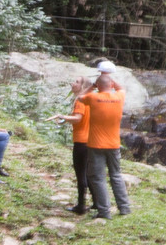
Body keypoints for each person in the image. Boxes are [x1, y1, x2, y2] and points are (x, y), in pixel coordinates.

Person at [79, 63, 130, 219]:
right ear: (112, 85)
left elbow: (79, 97)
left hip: (95, 145)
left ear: (98, 86)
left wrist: (93, 86)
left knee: (98, 177)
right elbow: (121, 88)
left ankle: (104, 211)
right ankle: (124, 208)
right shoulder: (119, 97)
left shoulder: (93, 97)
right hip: (114, 145)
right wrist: (111, 80)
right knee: (116, 175)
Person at [48, 76, 94, 214]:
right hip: (91, 140)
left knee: (81, 174)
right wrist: (65, 120)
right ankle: (97, 202)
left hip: (81, 141)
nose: (72, 83)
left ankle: (81, 206)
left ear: (83, 86)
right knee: (88, 173)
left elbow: (78, 118)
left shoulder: (80, 100)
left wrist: (62, 116)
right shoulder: (90, 98)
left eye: (76, 82)